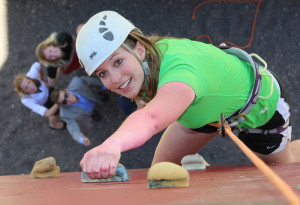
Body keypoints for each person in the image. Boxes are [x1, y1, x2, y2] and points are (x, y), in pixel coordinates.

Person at [75, 11, 300, 179]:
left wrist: (112, 145)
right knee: (162, 172)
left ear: (139, 50)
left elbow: (152, 118)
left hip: (262, 110)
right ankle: (199, 176)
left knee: (281, 173)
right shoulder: (149, 57)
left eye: (118, 61)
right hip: (201, 112)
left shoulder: (178, 74)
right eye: (102, 73)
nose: (113, 79)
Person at [50, 76, 105, 146]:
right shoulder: (65, 114)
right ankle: (93, 114)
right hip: (87, 112)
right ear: (61, 105)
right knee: (91, 112)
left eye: (66, 95)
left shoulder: (77, 82)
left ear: (66, 90)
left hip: (93, 96)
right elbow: (72, 129)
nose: (68, 99)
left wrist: (103, 86)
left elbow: (93, 81)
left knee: (99, 97)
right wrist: (80, 139)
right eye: (64, 101)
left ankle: (100, 97)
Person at [14, 62, 65, 130]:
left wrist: (42, 80)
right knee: (55, 113)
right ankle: (53, 124)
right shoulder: (26, 100)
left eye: (29, 82)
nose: (31, 86)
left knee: (60, 98)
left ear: (29, 79)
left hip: (49, 91)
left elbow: (37, 65)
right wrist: (59, 102)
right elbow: (47, 113)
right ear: (24, 91)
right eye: (26, 87)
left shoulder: (31, 75)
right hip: (46, 102)